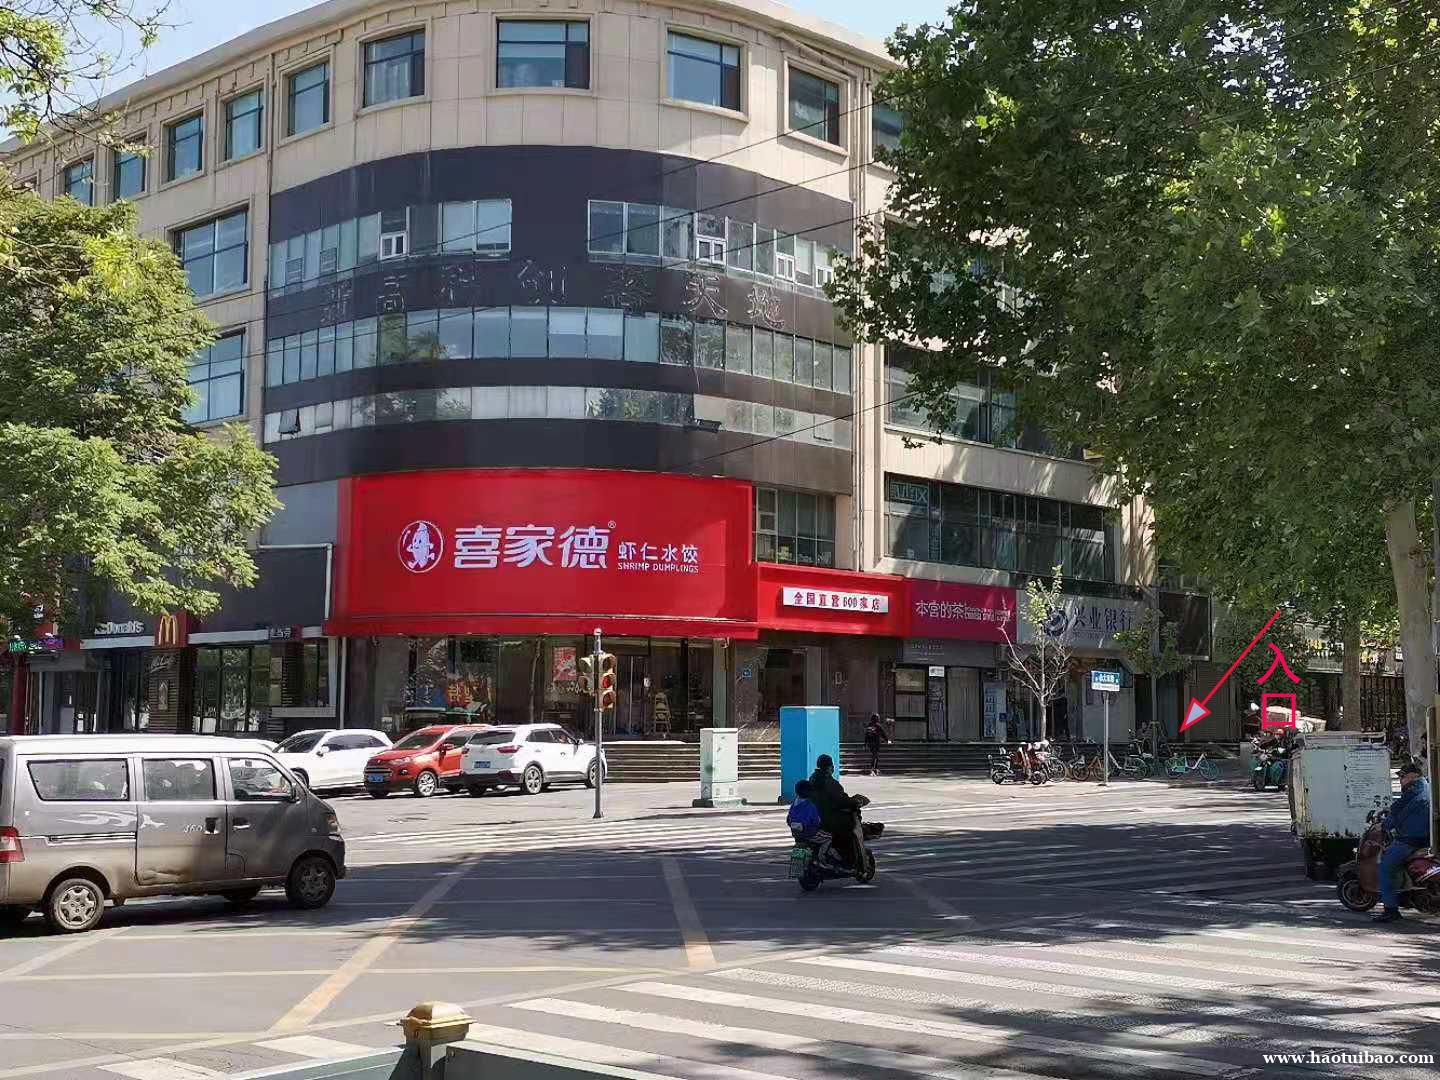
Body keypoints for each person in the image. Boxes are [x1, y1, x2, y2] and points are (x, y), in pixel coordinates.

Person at [1374, 762, 1431, 923]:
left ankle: (1391, 910)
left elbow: (1396, 816)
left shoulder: (1412, 791)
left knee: (1385, 866)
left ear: (1413, 776)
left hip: (1411, 840)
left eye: (1403, 776)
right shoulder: (1426, 787)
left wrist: (1383, 825)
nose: (1400, 780)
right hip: (1425, 838)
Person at [809, 754, 865, 869]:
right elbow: (841, 800)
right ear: (829, 767)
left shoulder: (812, 780)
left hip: (815, 819)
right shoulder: (830, 783)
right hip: (829, 820)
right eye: (832, 766)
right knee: (848, 830)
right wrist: (854, 802)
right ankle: (847, 860)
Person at [786, 779, 836, 866]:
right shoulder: (810, 805)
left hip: (796, 834)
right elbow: (816, 821)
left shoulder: (794, 804)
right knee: (829, 838)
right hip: (810, 833)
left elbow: (788, 819)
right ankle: (821, 856)